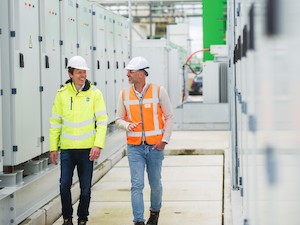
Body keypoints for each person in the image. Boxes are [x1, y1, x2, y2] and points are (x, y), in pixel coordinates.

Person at [49, 55, 108, 225]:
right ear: (70, 74)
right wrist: (54, 148)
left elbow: (102, 121)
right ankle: (67, 218)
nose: (82, 75)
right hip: (67, 150)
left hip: (87, 150)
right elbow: (55, 122)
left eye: (84, 72)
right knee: (64, 186)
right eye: (79, 72)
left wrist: (98, 145)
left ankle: (82, 218)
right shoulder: (61, 94)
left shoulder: (95, 93)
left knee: (85, 189)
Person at [115, 56, 174, 225]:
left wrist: (165, 140)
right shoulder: (124, 94)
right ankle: (138, 221)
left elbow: (169, 116)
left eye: (131, 71)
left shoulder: (158, 91)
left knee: (155, 184)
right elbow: (118, 119)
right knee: (136, 184)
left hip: (155, 147)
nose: (127, 74)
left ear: (141, 74)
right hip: (135, 148)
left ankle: (154, 214)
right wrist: (127, 125)